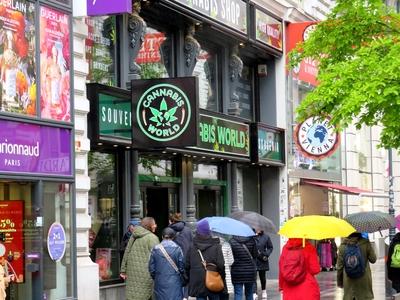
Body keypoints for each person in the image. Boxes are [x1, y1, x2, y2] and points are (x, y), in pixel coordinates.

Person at [120, 217, 159, 300]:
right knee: (144, 295)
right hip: (145, 273)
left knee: (133, 295)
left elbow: (127, 251)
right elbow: (157, 258)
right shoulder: (152, 238)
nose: (155, 226)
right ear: (149, 226)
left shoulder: (134, 234)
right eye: (154, 224)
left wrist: (123, 270)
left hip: (132, 272)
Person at [185, 219, 225, 300]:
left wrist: (190, 278)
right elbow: (221, 264)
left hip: (197, 281)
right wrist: (221, 276)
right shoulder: (216, 245)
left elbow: (186, 265)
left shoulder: (192, 246)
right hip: (213, 279)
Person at [337, 232, 377, 300]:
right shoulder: (366, 243)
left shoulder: (342, 246)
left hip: (348, 281)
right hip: (364, 281)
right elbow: (373, 259)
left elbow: (339, 267)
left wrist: (340, 282)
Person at [149, 227, 185, 300]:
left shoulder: (155, 249)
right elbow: (182, 267)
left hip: (160, 281)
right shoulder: (178, 249)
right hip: (175, 281)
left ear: (162, 236)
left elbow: (151, 268)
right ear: (173, 237)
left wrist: (157, 277)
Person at [168, 213, 193, 300]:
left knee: (174, 279)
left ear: (171, 221)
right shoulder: (188, 230)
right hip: (186, 258)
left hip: (173, 260)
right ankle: (185, 297)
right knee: (186, 278)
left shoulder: (168, 230)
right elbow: (191, 244)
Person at [230, 235, 257, 300]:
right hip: (249, 271)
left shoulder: (232, 241)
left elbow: (231, 257)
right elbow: (255, 255)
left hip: (237, 271)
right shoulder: (252, 240)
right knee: (249, 293)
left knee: (238, 293)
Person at [213, 233, 234, 300]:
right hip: (226, 273)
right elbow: (231, 261)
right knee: (225, 294)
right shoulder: (226, 245)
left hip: (214, 273)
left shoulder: (212, 245)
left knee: (215, 294)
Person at [254, 230, 273, 299]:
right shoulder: (251, 236)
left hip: (262, 259)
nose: (258, 229)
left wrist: (266, 254)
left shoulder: (266, 237)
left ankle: (264, 290)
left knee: (262, 277)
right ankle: (254, 292)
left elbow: (270, 247)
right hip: (254, 259)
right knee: (254, 277)